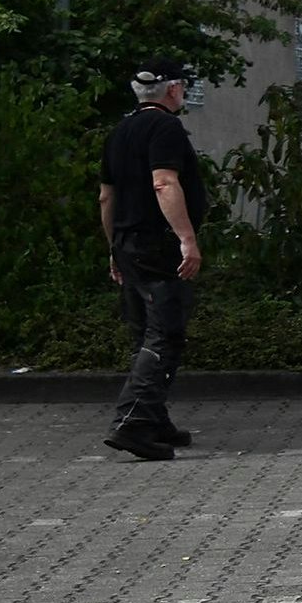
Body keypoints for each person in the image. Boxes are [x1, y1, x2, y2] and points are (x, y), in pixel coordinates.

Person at [97, 66, 207, 461]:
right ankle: (132, 422)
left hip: (127, 240)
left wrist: (114, 247)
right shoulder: (166, 129)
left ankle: (155, 418)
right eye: (183, 86)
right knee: (166, 333)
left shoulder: (119, 132)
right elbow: (164, 183)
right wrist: (186, 238)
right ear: (173, 89)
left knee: (145, 332)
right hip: (157, 244)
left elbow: (106, 197)